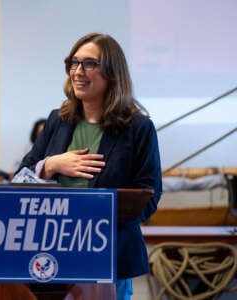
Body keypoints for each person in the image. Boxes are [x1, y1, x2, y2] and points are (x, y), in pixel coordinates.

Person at [17, 33, 162, 299]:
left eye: (89, 64)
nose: (78, 71)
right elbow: (19, 182)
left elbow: (148, 199)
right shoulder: (56, 120)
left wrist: (95, 221)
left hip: (108, 258)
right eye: (74, 63)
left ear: (112, 72)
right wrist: (50, 165)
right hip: (50, 255)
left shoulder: (139, 128)